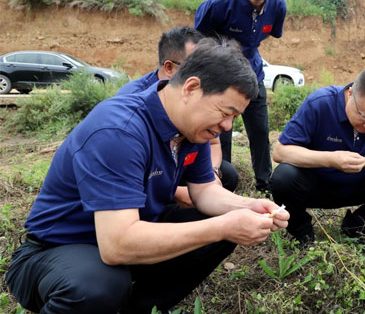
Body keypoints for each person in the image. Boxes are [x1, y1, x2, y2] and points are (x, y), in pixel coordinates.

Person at [6, 38, 289, 314]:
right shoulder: (120, 130)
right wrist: (224, 226)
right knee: (98, 284)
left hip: (131, 230)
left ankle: (139, 307)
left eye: (234, 118)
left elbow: (204, 191)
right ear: (191, 88)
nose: (227, 126)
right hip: (56, 250)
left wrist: (247, 207)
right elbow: (116, 245)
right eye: (226, 112)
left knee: (218, 227)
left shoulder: (191, 130)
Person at [269, 66, 365, 244]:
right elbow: (280, 151)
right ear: (350, 94)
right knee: (283, 177)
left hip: (361, 185)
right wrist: (330, 159)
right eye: (364, 116)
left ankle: (358, 226)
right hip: (318, 185)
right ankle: (301, 235)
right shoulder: (320, 103)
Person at [194, 0, 286, 192]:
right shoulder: (219, 3)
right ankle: (222, 181)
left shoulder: (278, 6)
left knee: (259, 130)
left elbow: (265, 35)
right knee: (220, 131)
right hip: (220, 79)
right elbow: (195, 39)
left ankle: (265, 184)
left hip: (253, 75)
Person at [117, 26, 239, 204]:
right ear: (169, 68)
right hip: (145, 175)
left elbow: (213, 143)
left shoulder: (198, 98)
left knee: (226, 174)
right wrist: (178, 192)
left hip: (179, 166)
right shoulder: (131, 104)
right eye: (197, 68)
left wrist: (211, 174)